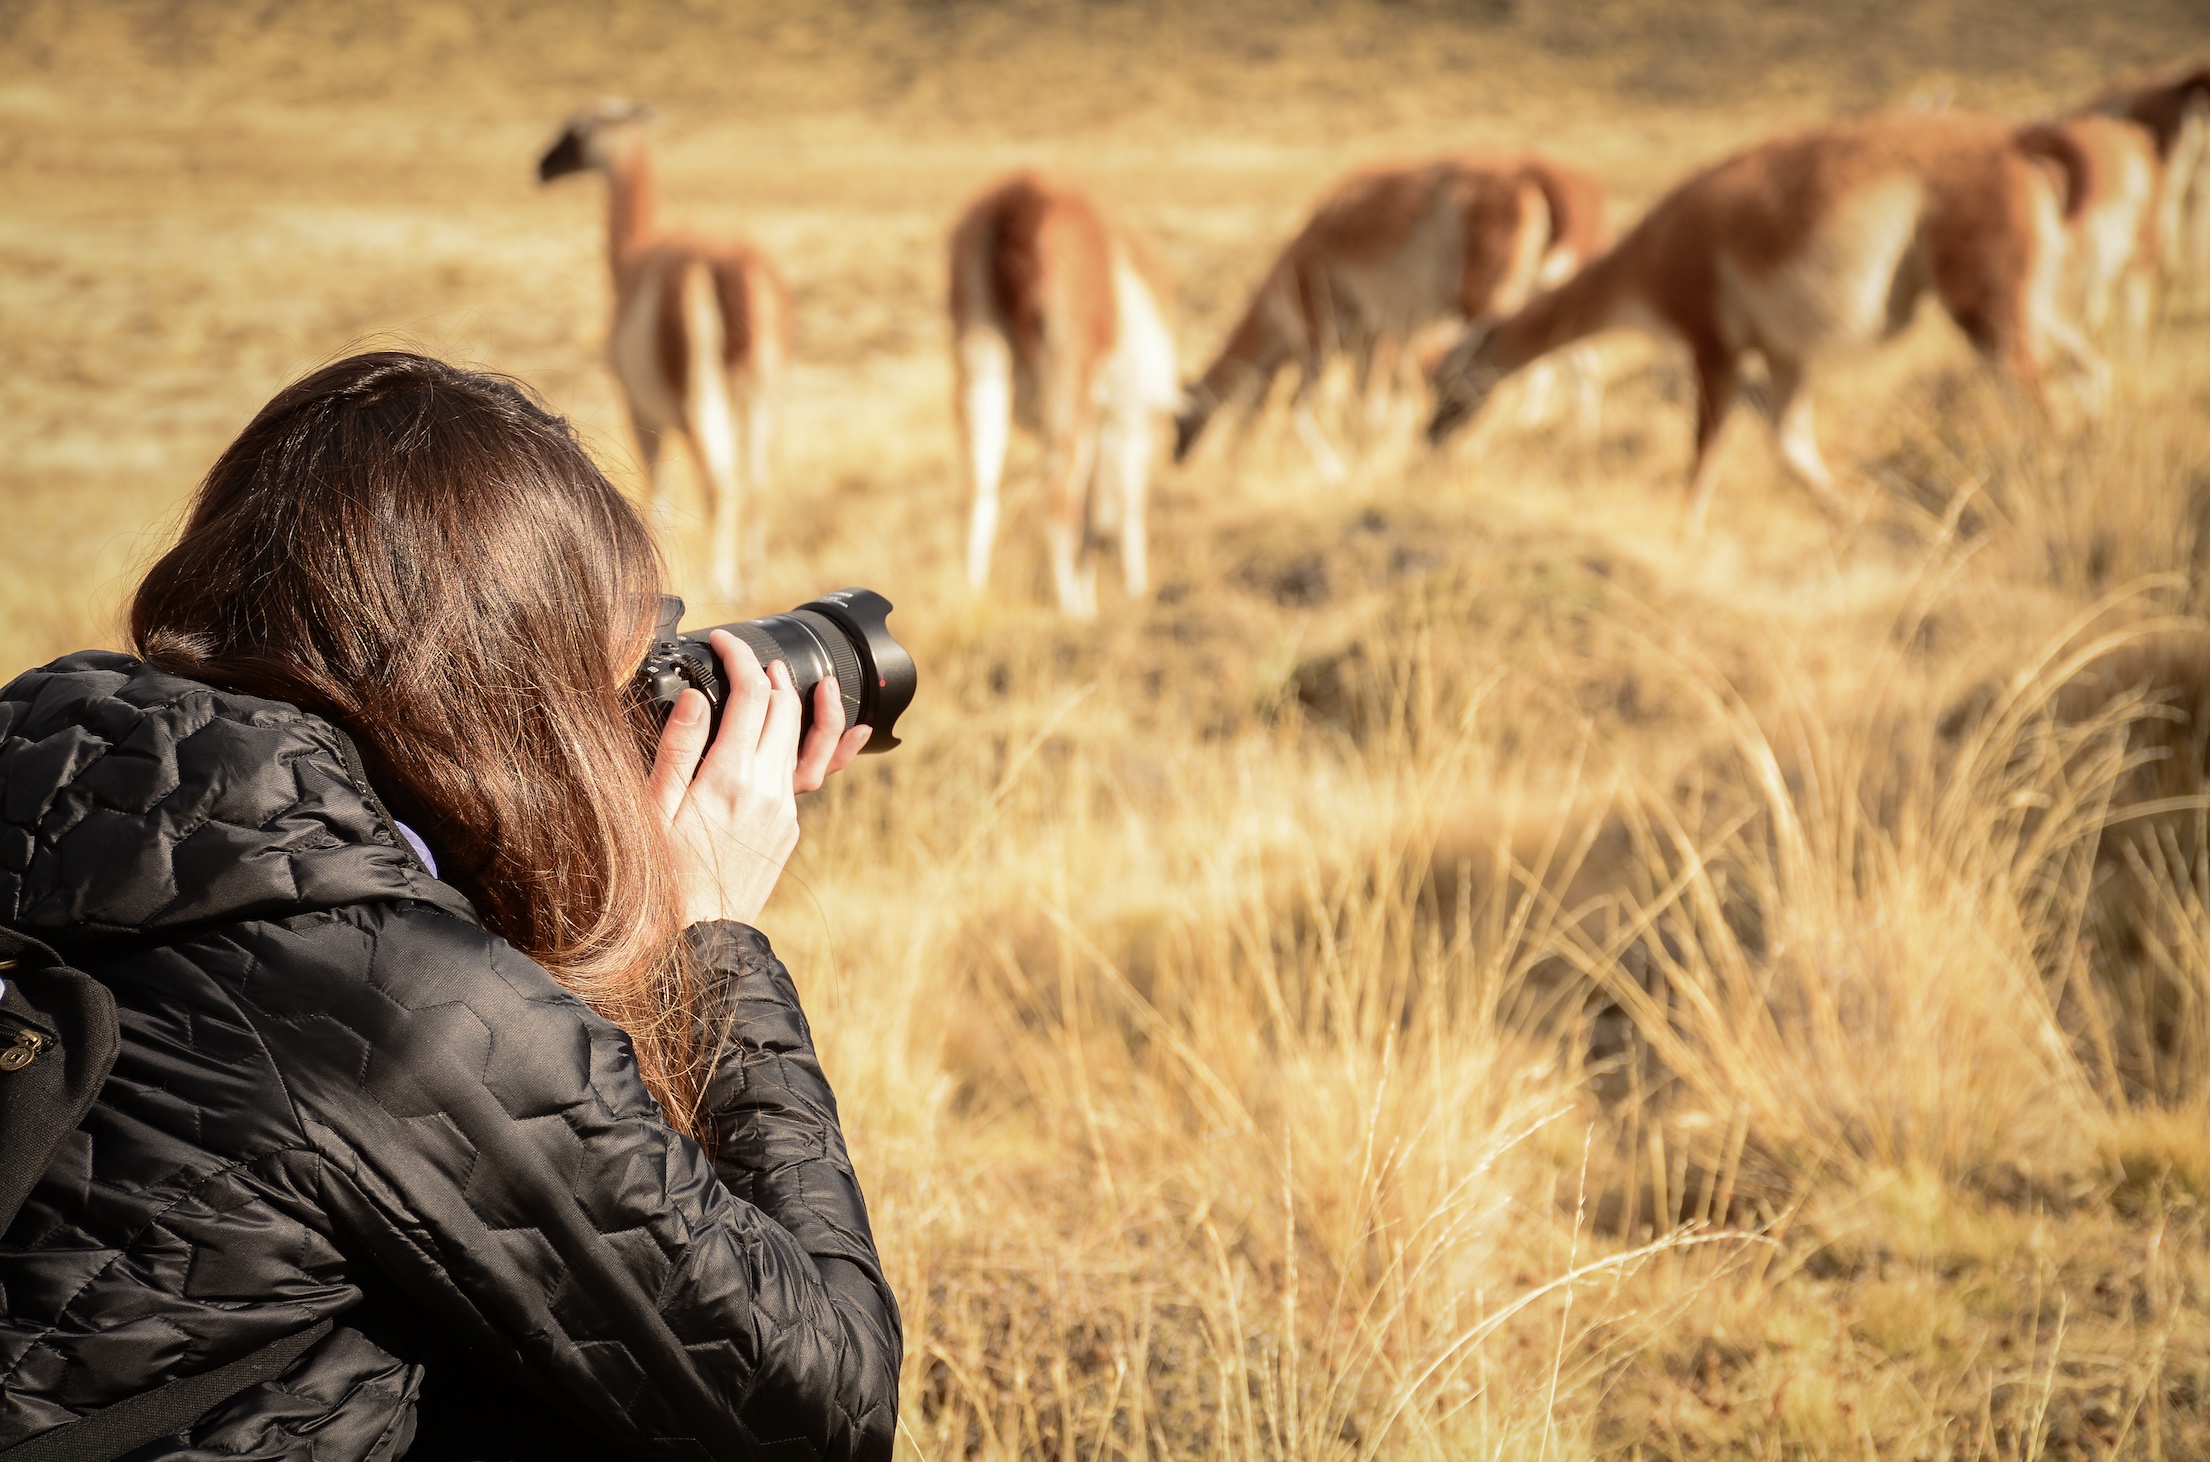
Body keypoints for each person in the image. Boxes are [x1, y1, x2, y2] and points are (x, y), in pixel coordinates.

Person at [0, 353, 900, 1461]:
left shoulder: (86, 799)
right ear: (503, 671)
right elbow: (822, 1411)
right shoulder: (392, 997)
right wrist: (708, 936)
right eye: (621, 644)